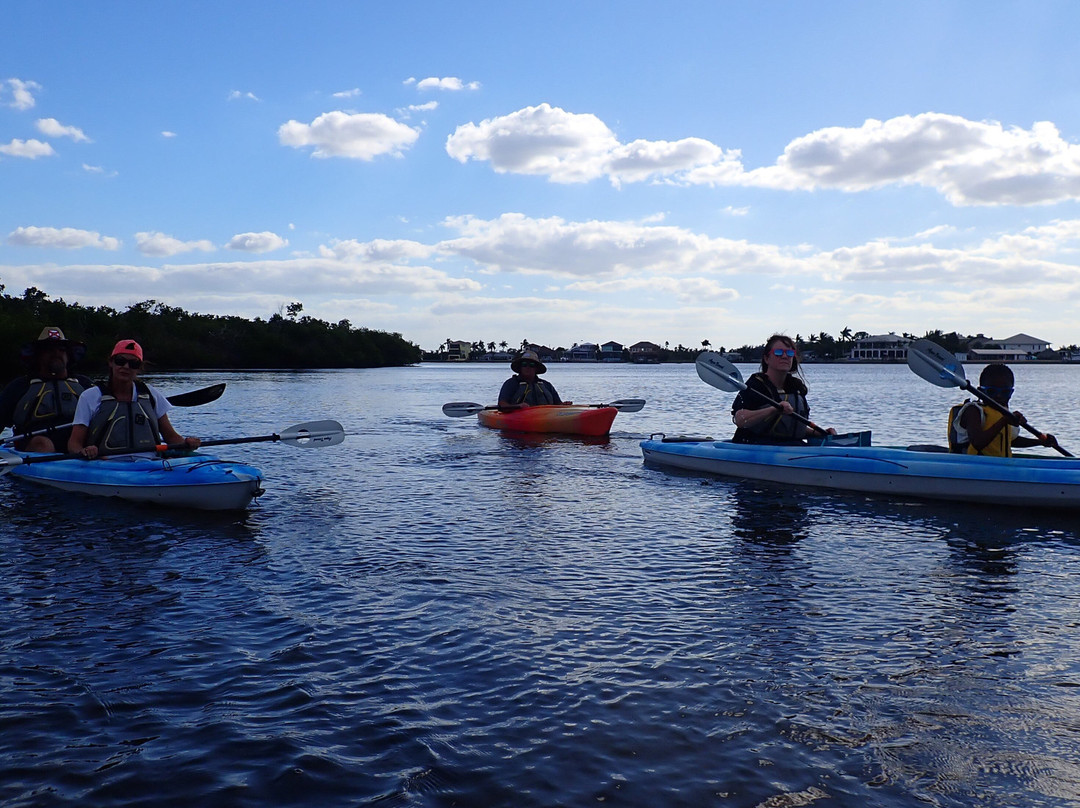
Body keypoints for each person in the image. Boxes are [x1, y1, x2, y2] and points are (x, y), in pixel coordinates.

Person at [68, 339, 201, 459]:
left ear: (139, 368)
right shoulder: (89, 397)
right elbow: (74, 444)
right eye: (120, 361)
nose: (126, 367)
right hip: (107, 465)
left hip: (149, 464)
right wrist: (84, 451)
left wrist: (187, 443)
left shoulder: (151, 394)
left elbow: (171, 437)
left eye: (133, 363)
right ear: (111, 362)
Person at [0, 326, 94, 452]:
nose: (56, 353)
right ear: (38, 356)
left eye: (61, 349)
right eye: (49, 349)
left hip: (78, 446)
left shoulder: (85, 385)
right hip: (33, 447)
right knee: (43, 444)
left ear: (68, 355)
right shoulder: (19, 387)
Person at [731, 334, 836, 444]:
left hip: (789, 446)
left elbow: (789, 427)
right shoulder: (755, 386)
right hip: (754, 445)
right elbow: (741, 420)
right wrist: (773, 409)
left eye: (789, 353)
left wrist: (816, 433)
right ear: (767, 359)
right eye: (778, 352)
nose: (785, 356)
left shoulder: (796, 387)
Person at [950, 363, 1058, 457]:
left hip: (1000, 466)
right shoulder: (973, 411)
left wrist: (1040, 442)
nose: (999, 396)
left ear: (1011, 392)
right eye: (991, 391)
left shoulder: (1003, 414)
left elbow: (1010, 441)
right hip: (975, 467)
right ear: (980, 391)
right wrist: (1004, 421)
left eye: (1005, 392)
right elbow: (978, 443)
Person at [497, 349, 565, 409]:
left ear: (536, 368)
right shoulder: (511, 384)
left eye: (532, 365)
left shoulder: (547, 385)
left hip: (546, 415)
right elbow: (502, 404)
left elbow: (559, 404)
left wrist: (565, 405)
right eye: (524, 364)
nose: (527, 367)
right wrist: (518, 406)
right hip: (518, 415)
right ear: (520, 367)